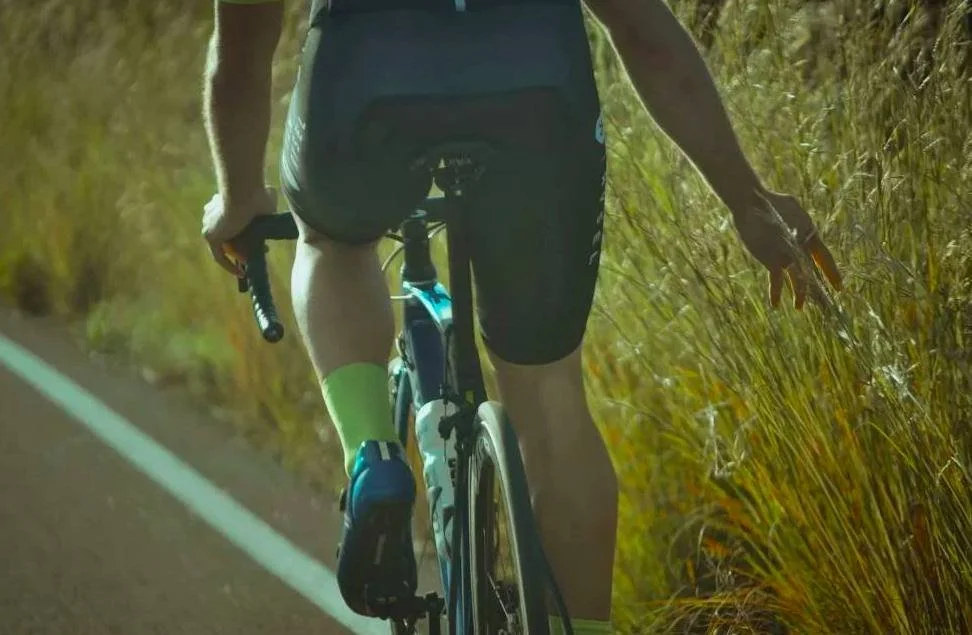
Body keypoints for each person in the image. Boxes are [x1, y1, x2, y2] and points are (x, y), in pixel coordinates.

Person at [201, 0, 843, 632]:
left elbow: (242, 46)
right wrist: (746, 200)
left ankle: (373, 454)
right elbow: (643, 29)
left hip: (366, 83)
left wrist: (237, 194)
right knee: (551, 400)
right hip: (537, 94)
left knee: (331, 240)